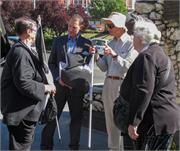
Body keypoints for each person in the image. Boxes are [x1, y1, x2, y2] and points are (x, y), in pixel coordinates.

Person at [120, 17, 180, 150]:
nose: (132, 39)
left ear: (141, 38)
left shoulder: (146, 56)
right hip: (163, 120)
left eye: (134, 36)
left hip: (154, 122)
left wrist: (134, 122)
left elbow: (143, 90)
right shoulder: (158, 53)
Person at [1, 17, 56, 150]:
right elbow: (23, 83)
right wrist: (46, 87)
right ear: (29, 31)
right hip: (21, 113)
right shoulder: (20, 51)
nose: (37, 34)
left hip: (23, 112)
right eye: (36, 30)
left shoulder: (24, 49)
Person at [41, 14, 92, 150]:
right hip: (60, 86)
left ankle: (74, 146)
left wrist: (94, 55)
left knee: (76, 119)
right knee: (52, 116)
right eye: (69, 26)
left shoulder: (87, 44)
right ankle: (46, 145)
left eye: (73, 27)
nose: (70, 29)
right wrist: (58, 78)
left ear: (80, 27)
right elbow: (51, 63)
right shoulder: (59, 41)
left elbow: (88, 66)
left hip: (77, 87)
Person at [89, 12, 138, 150]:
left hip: (123, 85)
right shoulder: (110, 43)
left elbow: (127, 66)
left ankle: (125, 148)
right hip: (108, 84)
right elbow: (104, 67)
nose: (108, 28)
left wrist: (115, 55)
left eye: (111, 25)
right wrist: (97, 56)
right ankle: (113, 148)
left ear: (121, 27)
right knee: (110, 120)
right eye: (108, 25)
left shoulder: (131, 43)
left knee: (123, 120)